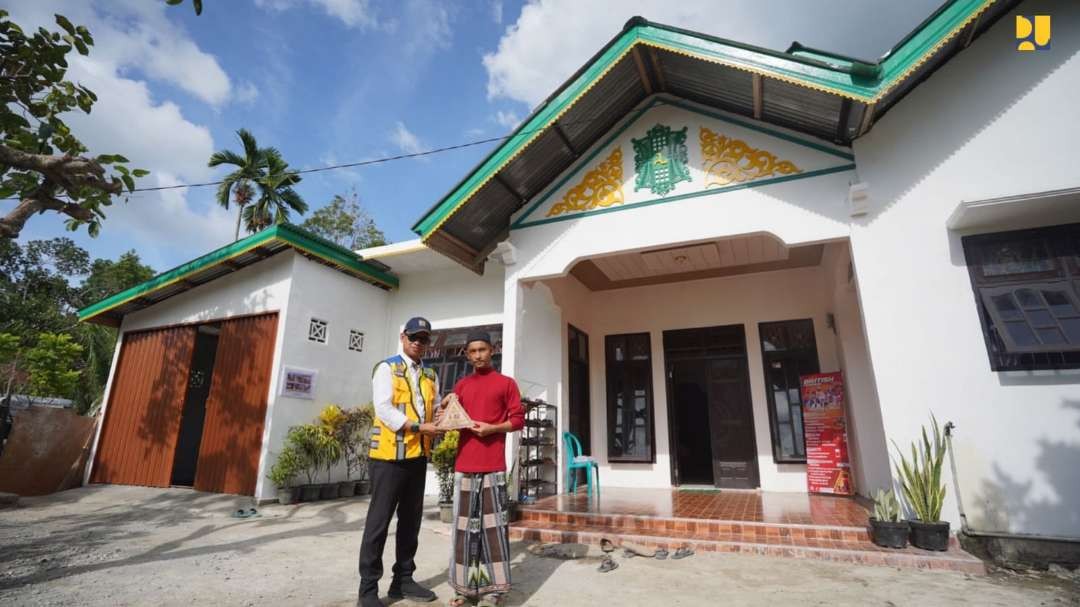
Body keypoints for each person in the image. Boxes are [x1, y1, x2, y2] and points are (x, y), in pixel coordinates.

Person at [357, 316, 443, 607]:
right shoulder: (386, 368)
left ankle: (402, 580)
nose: (418, 343)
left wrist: (446, 407)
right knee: (378, 524)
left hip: (417, 456)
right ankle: (367, 591)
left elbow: (434, 406)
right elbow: (383, 408)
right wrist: (419, 428)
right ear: (403, 337)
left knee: (410, 522)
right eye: (413, 337)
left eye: (424, 339)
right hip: (388, 459)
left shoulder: (431, 375)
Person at [439, 331, 524, 607]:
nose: (478, 355)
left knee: (493, 530)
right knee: (463, 530)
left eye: (483, 349)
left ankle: (493, 591)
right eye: (473, 351)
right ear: (467, 354)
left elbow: (518, 420)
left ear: (492, 350)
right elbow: (449, 421)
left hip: (493, 466)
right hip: (464, 465)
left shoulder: (507, 384)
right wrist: (444, 410)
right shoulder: (461, 386)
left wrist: (493, 429)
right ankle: (464, 590)